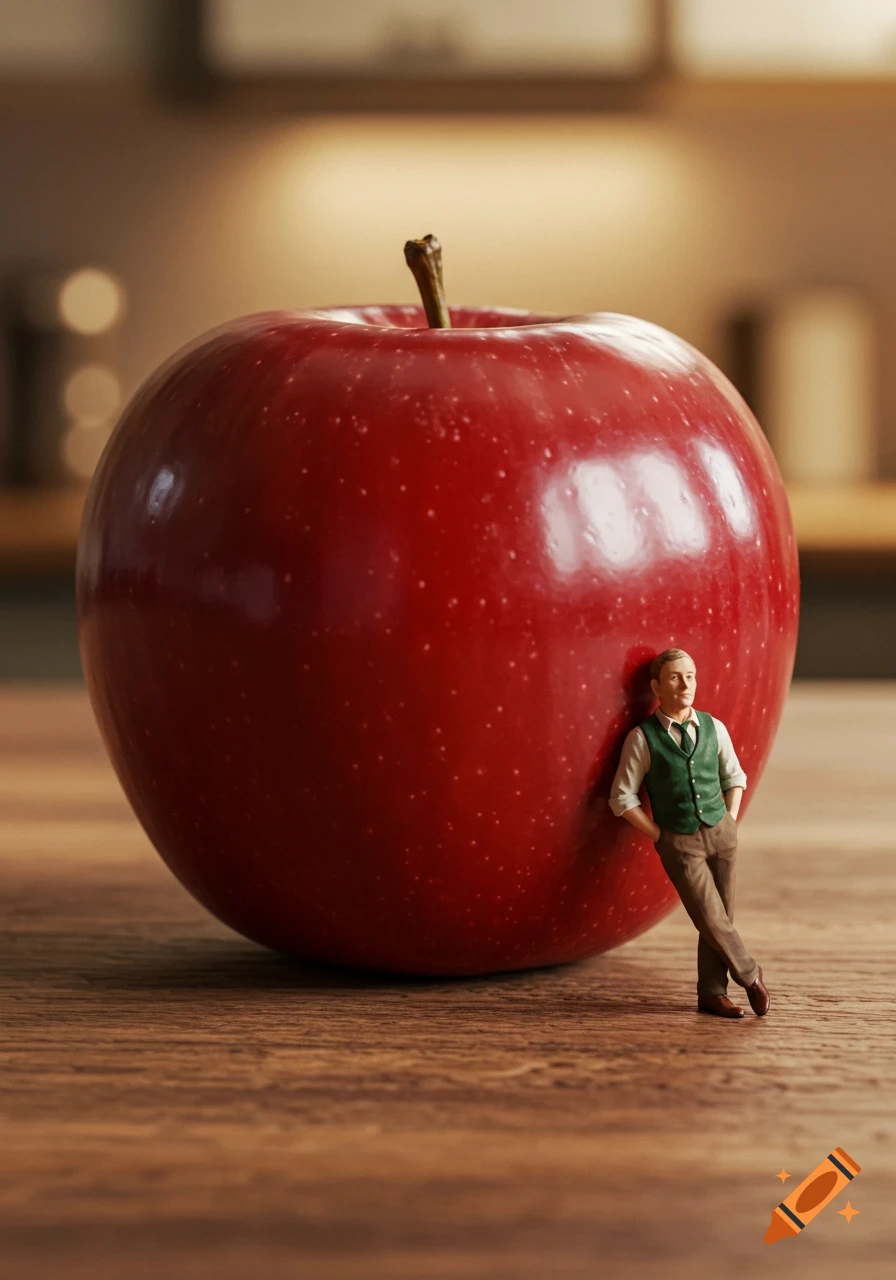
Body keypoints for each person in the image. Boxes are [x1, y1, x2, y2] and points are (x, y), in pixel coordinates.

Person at [609, 648, 770, 1019]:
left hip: (721, 831)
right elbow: (621, 796)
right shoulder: (643, 737)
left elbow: (735, 776)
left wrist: (729, 818)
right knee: (710, 916)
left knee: (721, 917)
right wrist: (658, 834)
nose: (686, 685)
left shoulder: (714, 727)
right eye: (675, 677)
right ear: (656, 686)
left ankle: (712, 994)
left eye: (691, 676)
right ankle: (750, 974)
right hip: (678, 840)